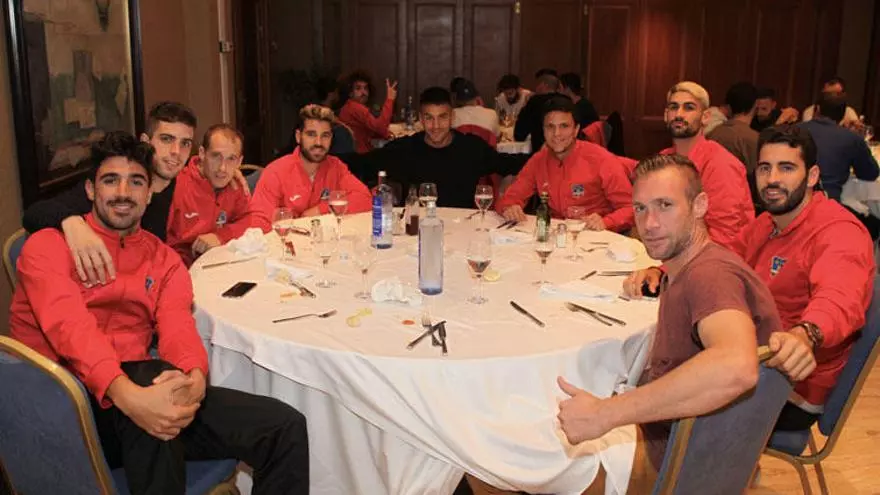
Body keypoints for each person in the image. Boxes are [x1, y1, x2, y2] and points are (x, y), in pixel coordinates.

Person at [9, 131, 309, 494]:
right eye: (110, 180)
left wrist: (194, 377)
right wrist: (129, 395)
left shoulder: (164, 260)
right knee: (155, 396)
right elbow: (70, 329)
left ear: (150, 193)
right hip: (67, 408)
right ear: (90, 190)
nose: (123, 192)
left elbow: (178, 326)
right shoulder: (47, 247)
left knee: (283, 427)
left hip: (139, 392)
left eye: (136, 182)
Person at [468, 154, 783, 495]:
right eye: (640, 208)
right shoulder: (691, 266)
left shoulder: (710, 276)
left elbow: (736, 366)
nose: (650, 223)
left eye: (665, 205)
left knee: (487, 465)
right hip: (694, 446)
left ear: (700, 206)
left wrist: (605, 414)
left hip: (672, 460)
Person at [626, 124, 874, 435]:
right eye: (764, 168)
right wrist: (662, 270)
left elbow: (840, 298)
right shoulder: (767, 223)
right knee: (640, 371)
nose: (772, 179)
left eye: (786, 168)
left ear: (812, 176)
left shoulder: (838, 231)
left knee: (647, 398)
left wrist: (805, 334)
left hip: (788, 384)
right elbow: (723, 253)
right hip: (755, 359)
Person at [21, 102, 248, 287]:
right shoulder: (119, 185)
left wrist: (227, 171)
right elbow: (34, 214)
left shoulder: (183, 182)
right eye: (166, 139)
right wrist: (72, 223)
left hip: (156, 286)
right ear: (146, 142)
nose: (176, 152)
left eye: (185, 143)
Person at [343, 87, 527, 209]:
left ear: (452, 117)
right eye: (429, 118)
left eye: (442, 117)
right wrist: (326, 157)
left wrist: (543, 156)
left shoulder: (471, 148)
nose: (436, 126)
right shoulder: (405, 149)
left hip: (462, 231)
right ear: (421, 119)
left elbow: (510, 163)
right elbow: (361, 163)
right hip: (417, 234)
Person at [496, 96, 634, 232]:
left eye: (564, 126)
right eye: (550, 127)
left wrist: (606, 222)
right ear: (543, 130)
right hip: (557, 235)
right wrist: (510, 208)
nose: (556, 133)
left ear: (576, 130)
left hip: (597, 235)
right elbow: (509, 198)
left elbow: (631, 209)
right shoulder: (538, 161)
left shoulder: (601, 159)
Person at [659, 81, 754, 249]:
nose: (679, 114)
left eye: (689, 108)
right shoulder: (664, 158)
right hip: (672, 249)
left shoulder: (720, 164)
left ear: (705, 117)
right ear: (666, 115)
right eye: (674, 107)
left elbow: (725, 237)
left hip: (714, 257)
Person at [251, 104, 372, 221]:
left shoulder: (336, 166)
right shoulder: (275, 172)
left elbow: (365, 199)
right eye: (311, 134)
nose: (318, 142)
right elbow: (259, 220)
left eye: (325, 135)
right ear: (298, 137)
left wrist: (320, 210)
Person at [166, 124, 266, 266]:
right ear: (202, 153)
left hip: (222, 264)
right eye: (216, 156)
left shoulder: (234, 184)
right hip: (183, 269)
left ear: (239, 162)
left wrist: (220, 236)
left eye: (231, 159)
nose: (222, 168)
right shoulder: (176, 186)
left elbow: (254, 221)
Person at [799, 95, 879, 203]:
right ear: (843, 115)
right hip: (828, 200)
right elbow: (870, 173)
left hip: (791, 198)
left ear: (817, 109)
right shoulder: (852, 138)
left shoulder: (794, 130)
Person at [706, 81, 761, 208]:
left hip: (710, 199)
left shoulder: (713, 133)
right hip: (739, 203)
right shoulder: (754, 139)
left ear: (729, 107)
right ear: (755, 106)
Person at [337, 70, 398, 153]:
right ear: (350, 93)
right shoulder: (355, 107)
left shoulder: (349, 106)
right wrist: (390, 99)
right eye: (358, 88)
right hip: (360, 155)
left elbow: (374, 130)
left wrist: (386, 134)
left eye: (365, 88)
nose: (363, 92)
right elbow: (381, 128)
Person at [514, 73, 569, 154]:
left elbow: (519, 134)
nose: (535, 88)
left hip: (540, 152)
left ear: (544, 85)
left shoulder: (535, 101)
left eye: (537, 85)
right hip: (566, 151)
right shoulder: (567, 101)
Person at [452, 79, 501, 144]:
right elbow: (497, 137)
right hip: (485, 150)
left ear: (457, 100)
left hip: (460, 150)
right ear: (477, 97)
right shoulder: (492, 113)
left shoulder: (452, 114)